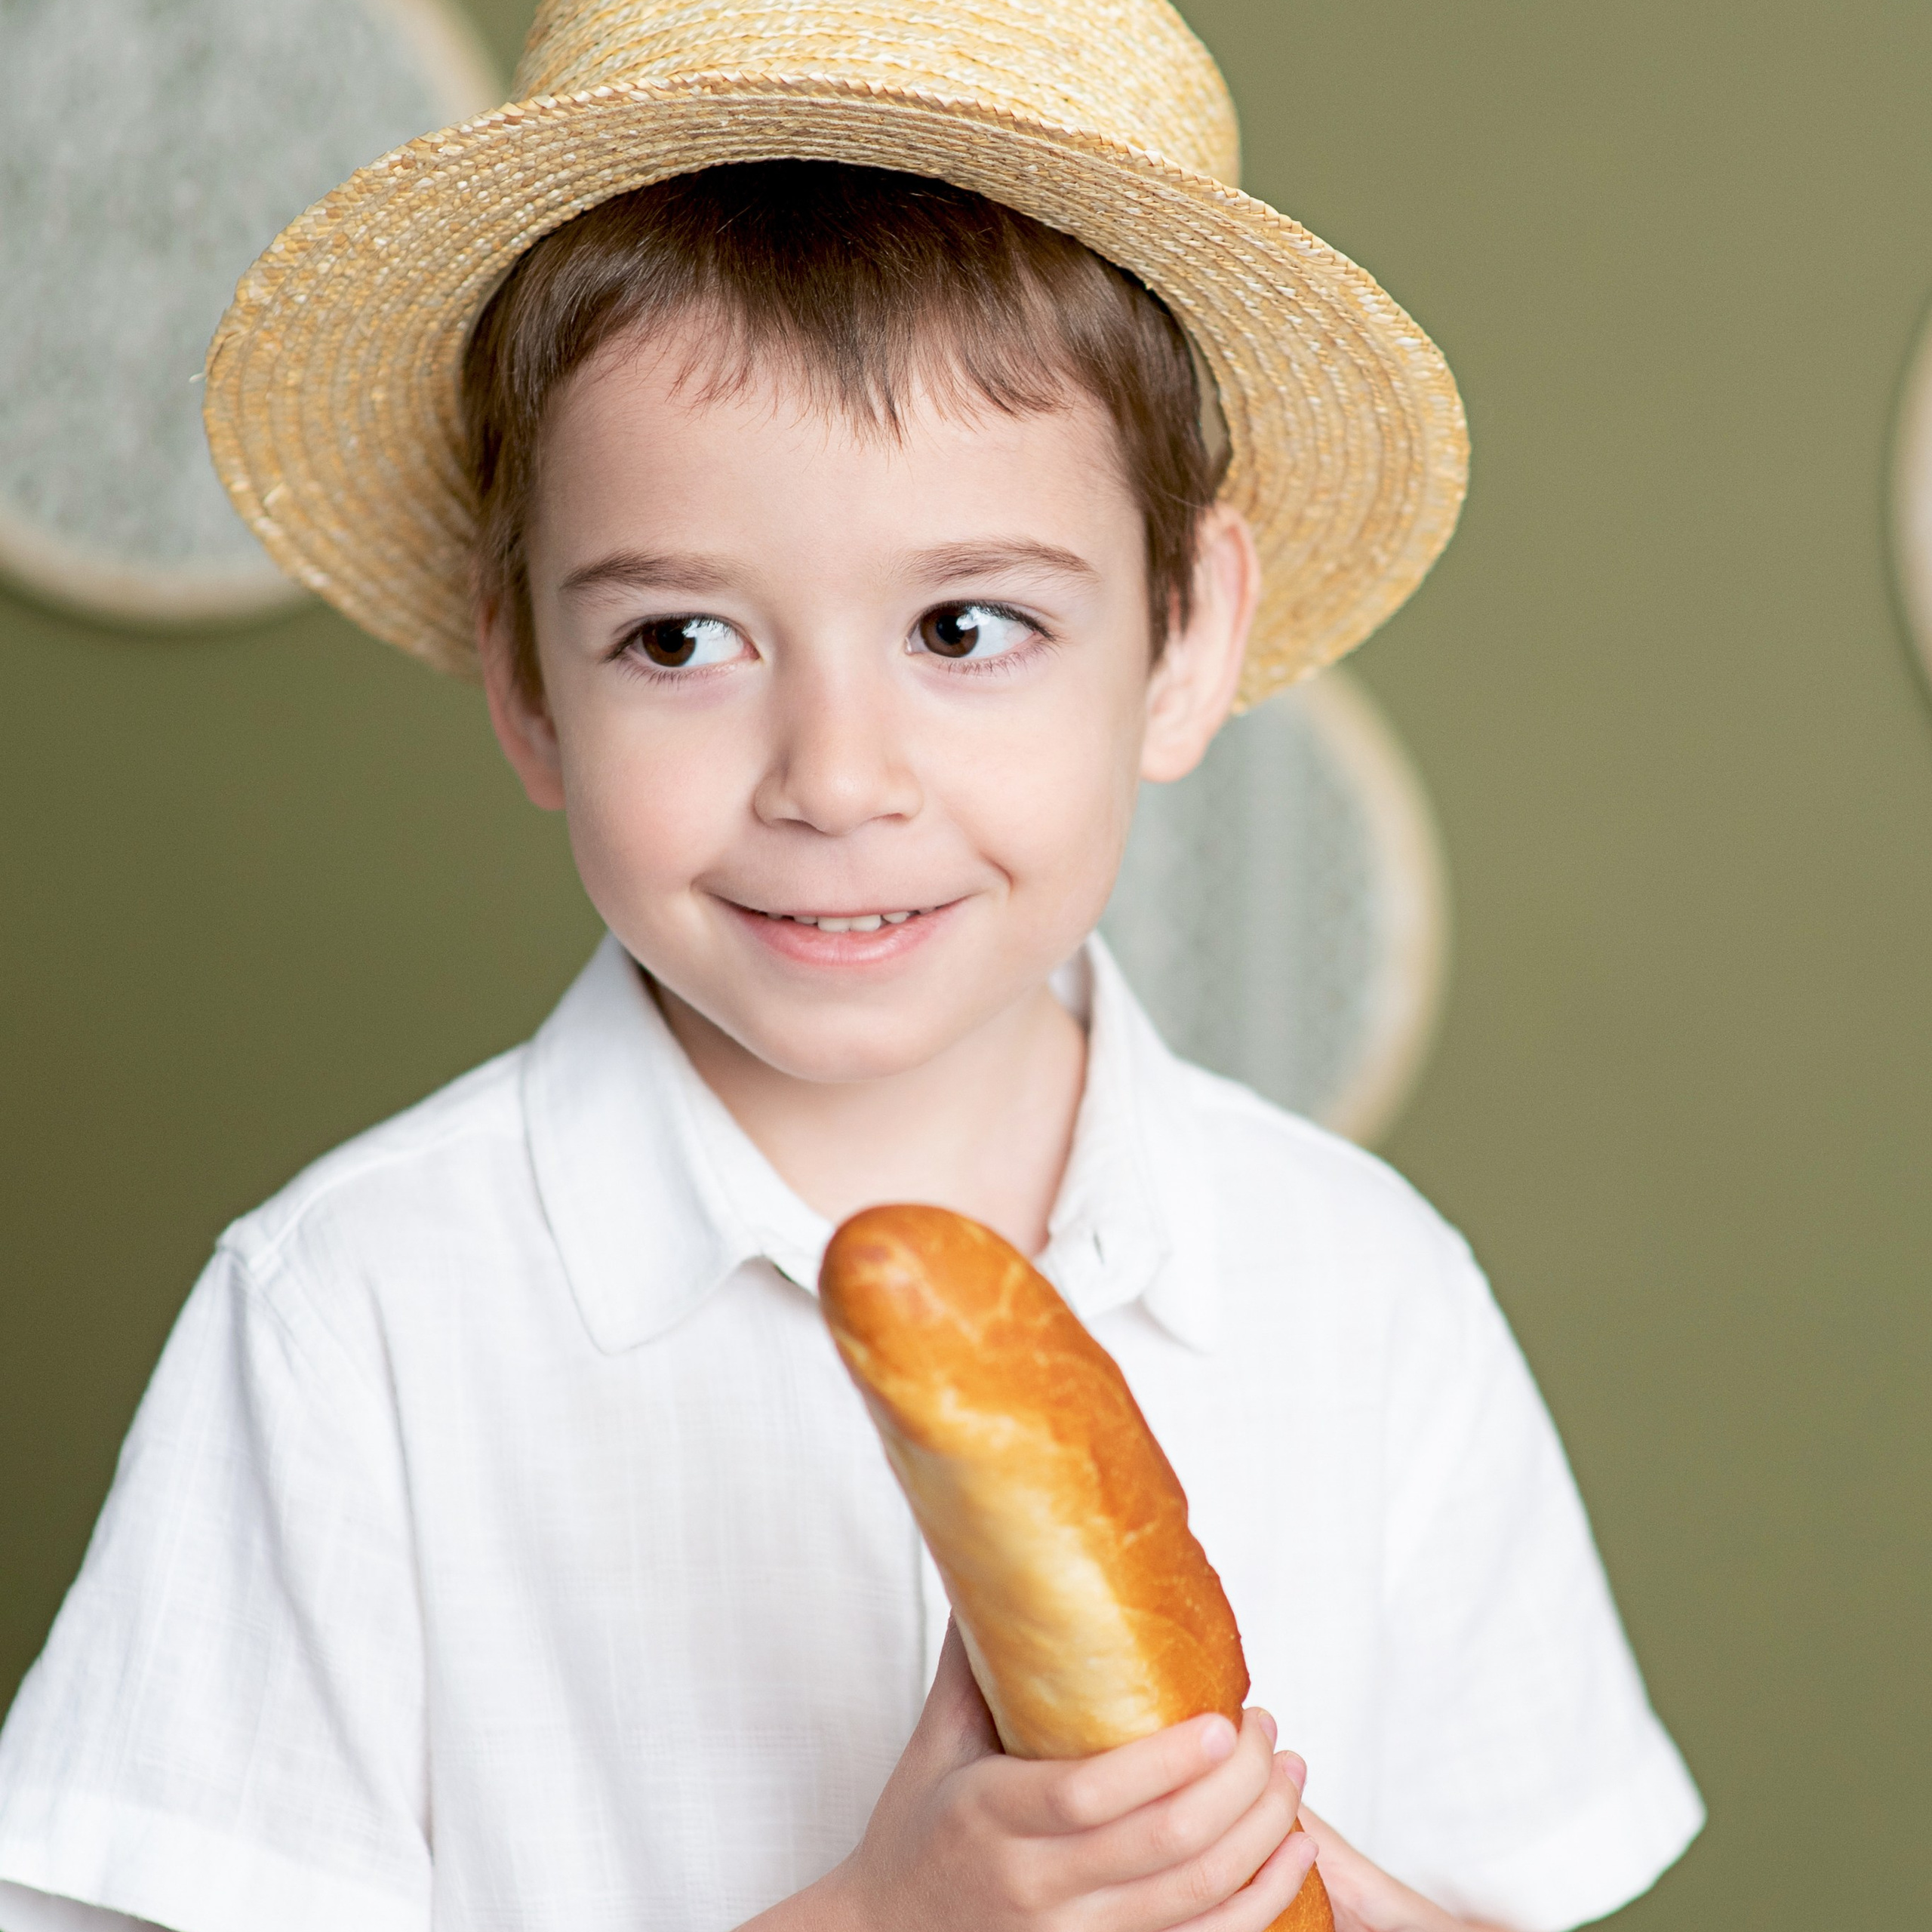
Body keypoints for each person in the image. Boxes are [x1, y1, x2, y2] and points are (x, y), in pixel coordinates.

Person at [0, 5, 1704, 1930]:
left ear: (1181, 637)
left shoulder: (1368, 1291)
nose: (834, 776)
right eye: (678, 642)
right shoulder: (353, 1323)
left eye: (965, 625)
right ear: (522, 680)